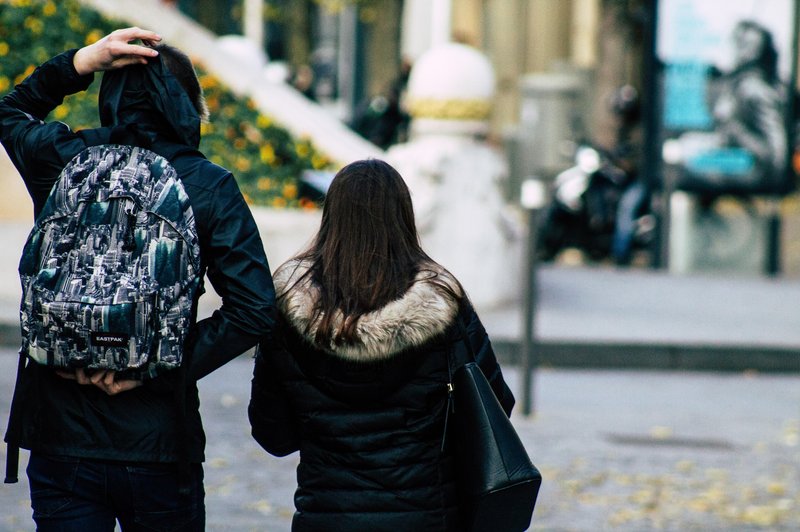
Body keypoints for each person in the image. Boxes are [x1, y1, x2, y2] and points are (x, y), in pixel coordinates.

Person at [0, 28, 275, 530]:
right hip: (156, 439)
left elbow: (8, 111)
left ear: (110, 93)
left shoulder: (62, 159)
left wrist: (81, 61)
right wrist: (156, 364)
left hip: (60, 433)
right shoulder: (207, 184)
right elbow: (254, 307)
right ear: (190, 106)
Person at [248, 158, 515, 530]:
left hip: (327, 517)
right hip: (427, 517)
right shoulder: (444, 306)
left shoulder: (289, 310)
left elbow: (272, 434)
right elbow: (495, 405)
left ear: (331, 218)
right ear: (403, 218)